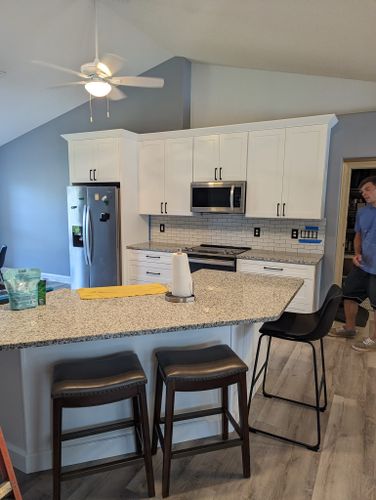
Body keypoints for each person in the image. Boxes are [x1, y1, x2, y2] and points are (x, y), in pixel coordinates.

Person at [329, 175, 376, 352]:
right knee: (349, 294)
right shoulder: (363, 212)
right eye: (362, 191)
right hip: (363, 264)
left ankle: (374, 340)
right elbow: (358, 235)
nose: (364, 194)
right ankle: (350, 328)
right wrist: (357, 254)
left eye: (368, 189)